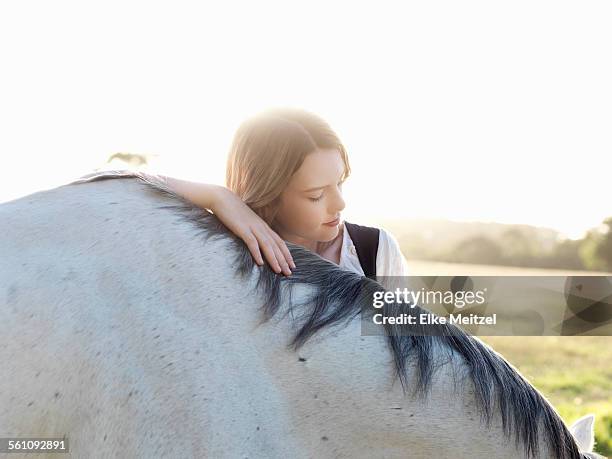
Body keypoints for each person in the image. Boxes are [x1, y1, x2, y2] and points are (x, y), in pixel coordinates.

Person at [157, 107, 410, 279]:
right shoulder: (227, 255)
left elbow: (409, 347)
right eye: (316, 195)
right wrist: (218, 197)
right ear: (268, 197)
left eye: (340, 183)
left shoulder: (374, 251)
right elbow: (124, 183)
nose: (340, 204)